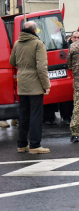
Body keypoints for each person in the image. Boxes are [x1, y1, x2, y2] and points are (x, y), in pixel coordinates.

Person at [9, 21, 51, 154]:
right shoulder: (38, 44)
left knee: (24, 115)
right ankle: (35, 145)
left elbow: (12, 62)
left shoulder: (17, 43)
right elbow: (42, 67)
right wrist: (46, 85)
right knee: (36, 115)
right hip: (35, 85)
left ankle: (22, 144)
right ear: (34, 31)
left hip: (22, 84)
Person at [60, 31, 79, 125]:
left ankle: (76, 117)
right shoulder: (66, 47)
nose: (76, 39)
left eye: (78, 37)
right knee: (66, 97)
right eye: (74, 37)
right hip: (68, 75)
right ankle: (66, 116)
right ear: (71, 38)